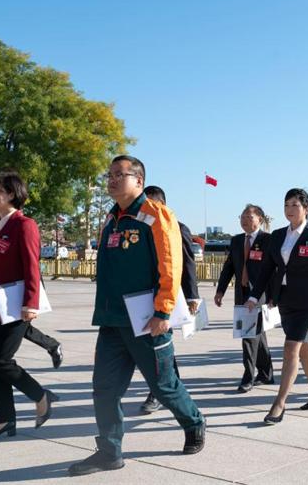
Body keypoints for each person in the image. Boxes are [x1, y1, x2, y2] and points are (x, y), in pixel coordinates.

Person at [69, 156, 205, 476]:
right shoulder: (110, 219)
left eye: (120, 174)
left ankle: (194, 422)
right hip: (112, 320)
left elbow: (170, 266)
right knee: (104, 389)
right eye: (110, 174)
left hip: (147, 320)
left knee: (163, 386)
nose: (112, 179)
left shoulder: (157, 216)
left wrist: (163, 311)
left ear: (139, 181)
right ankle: (109, 451)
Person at [0, 168, 59, 442]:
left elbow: (32, 267)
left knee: (2, 361)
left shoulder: (24, 225)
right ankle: (4, 420)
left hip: (17, 306)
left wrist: (32, 303)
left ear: (11, 194)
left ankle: (41, 396)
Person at [244, 188, 308, 424]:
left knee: (290, 349)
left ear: (306, 209)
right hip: (284, 300)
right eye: (286, 205)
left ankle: (279, 403)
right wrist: (255, 297)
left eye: (294, 205)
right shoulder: (277, 235)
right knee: (303, 345)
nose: (289, 209)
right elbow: (267, 268)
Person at [137, 185, 202, 411]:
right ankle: (167, 387)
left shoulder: (176, 226)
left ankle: (160, 392)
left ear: (161, 204)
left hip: (169, 296)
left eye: (151, 204)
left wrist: (193, 296)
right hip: (144, 296)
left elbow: (187, 262)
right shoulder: (138, 227)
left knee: (160, 345)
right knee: (155, 347)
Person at [215, 204, 275, 393]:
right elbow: (229, 268)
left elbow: (275, 270)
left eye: (249, 217)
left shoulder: (269, 240)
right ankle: (266, 374)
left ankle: (248, 377)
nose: (244, 221)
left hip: (260, 294)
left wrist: (274, 296)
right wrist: (220, 291)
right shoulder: (236, 241)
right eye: (241, 217)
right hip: (242, 293)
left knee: (248, 334)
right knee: (257, 334)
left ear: (260, 219)